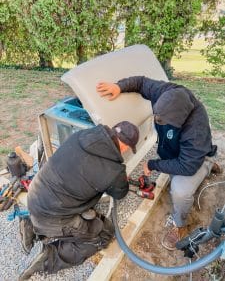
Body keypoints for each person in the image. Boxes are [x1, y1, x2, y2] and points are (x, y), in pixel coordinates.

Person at [96, 76, 221, 251]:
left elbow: (186, 166)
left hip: (190, 162)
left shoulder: (195, 130)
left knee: (179, 190)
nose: (157, 120)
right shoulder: (167, 92)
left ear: (181, 120)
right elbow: (140, 82)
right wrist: (119, 86)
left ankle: (180, 224)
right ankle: (204, 164)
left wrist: (153, 164)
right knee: (183, 164)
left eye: (164, 121)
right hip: (183, 154)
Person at [19, 121, 139, 280]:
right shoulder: (114, 170)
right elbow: (120, 193)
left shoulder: (81, 136)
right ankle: (49, 258)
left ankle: (30, 225)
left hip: (35, 195)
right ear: (124, 146)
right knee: (103, 235)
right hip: (52, 217)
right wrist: (120, 178)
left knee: (86, 213)